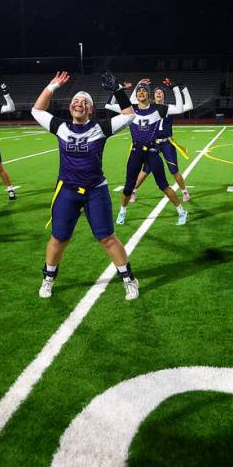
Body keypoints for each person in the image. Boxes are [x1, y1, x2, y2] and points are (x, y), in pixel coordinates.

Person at [32, 71, 141, 300]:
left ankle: (129, 279)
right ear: (71, 107)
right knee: (59, 237)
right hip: (67, 191)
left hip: (95, 190)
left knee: (107, 237)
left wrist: (119, 90)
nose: (79, 104)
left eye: (84, 103)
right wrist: (52, 86)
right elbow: (37, 110)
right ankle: (48, 277)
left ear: (90, 110)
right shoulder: (60, 126)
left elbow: (129, 115)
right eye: (75, 101)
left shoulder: (100, 127)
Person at [109, 79, 189, 226]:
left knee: (163, 185)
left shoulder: (157, 108)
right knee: (128, 187)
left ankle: (182, 211)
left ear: (148, 94)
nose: (141, 92)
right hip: (136, 152)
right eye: (139, 90)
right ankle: (122, 211)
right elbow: (108, 104)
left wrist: (176, 88)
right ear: (136, 94)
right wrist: (118, 88)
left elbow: (179, 108)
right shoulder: (130, 109)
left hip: (153, 151)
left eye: (144, 90)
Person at [129, 79, 194, 202]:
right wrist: (138, 85)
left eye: (161, 92)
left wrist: (183, 89)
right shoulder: (149, 107)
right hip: (152, 143)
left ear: (164, 95)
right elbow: (133, 102)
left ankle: (184, 192)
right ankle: (133, 191)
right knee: (145, 170)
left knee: (174, 170)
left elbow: (189, 106)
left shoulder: (169, 108)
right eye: (156, 92)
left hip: (166, 143)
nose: (158, 93)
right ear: (153, 95)